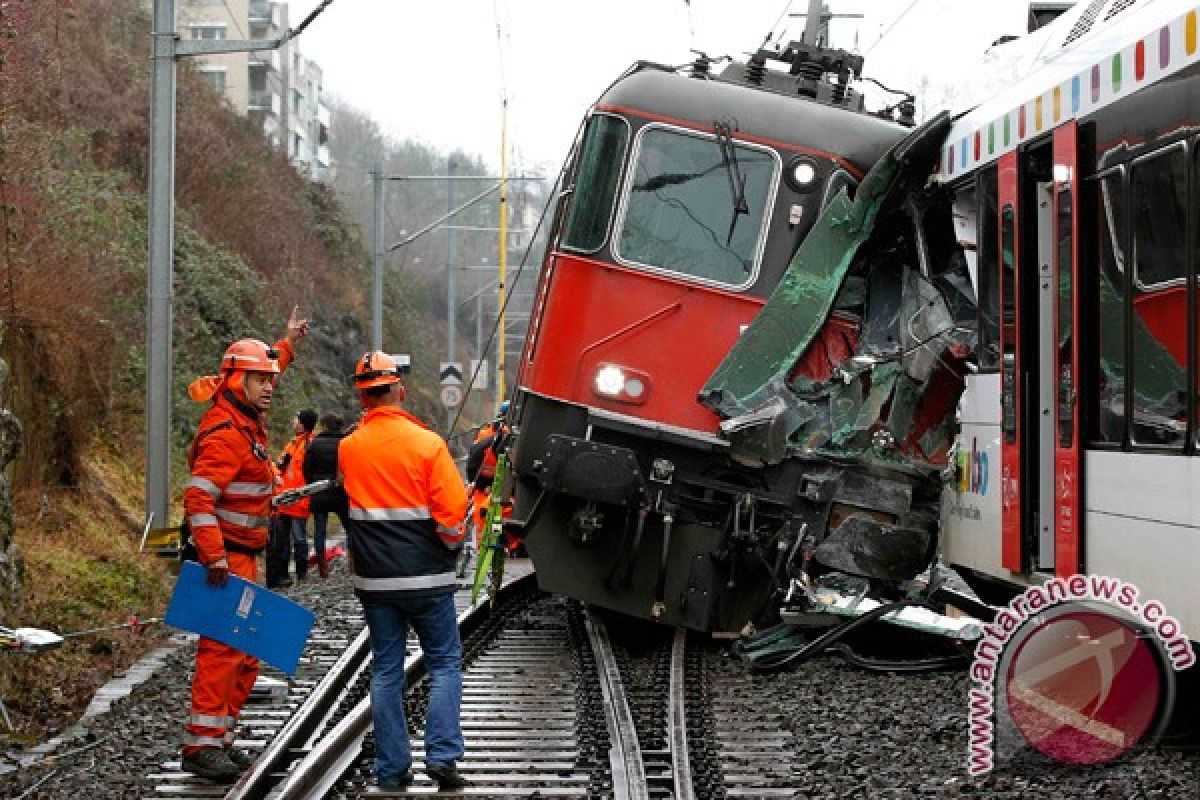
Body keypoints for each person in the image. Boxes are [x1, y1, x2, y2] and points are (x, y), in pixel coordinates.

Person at [179, 308, 308, 781]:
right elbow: (198, 498)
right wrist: (213, 555)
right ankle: (201, 744)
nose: (269, 387)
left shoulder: (244, 419)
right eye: (260, 380)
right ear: (237, 382)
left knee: (246, 655)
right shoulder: (226, 433)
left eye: (270, 379)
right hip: (227, 558)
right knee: (222, 653)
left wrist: (286, 344)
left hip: (244, 556)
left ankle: (222, 739)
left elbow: (265, 367)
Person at [337, 351, 470, 790]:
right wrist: (450, 547)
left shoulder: (349, 448)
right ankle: (443, 757)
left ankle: (392, 770)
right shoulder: (428, 445)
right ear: (400, 390)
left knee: (386, 670)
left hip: (375, 581)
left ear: (362, 399)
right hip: (429, 580)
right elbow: (452, 516)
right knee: (445, 663)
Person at [302, 410, 349, 578]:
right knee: (350, 528)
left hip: (319, 490)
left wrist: (311, 485)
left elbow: (306, 468)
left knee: (319, 530)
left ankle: (323, 569)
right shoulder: (346, 442)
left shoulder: (314, 444)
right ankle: (353, 563)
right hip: (341, 492)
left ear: (324, 425)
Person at [274, 409, 316, 582]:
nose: (293, 422)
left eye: (296, 419)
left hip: (299, 500)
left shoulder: (310, 445)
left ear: (303, 423)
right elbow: (281, 465)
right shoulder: (292, 444)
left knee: (299, 539)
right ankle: (283, 575)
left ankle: (302, 573)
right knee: (282, 541)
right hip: (284, 499)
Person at [465, 401, 509, 546]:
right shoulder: (485, 438)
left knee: (504, 513)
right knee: (483, 513)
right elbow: (472, 466)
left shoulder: (509, 436)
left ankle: (508, 544)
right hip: (485, 485)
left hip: (506, 484)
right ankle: (486, 545)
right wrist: (483, 486)